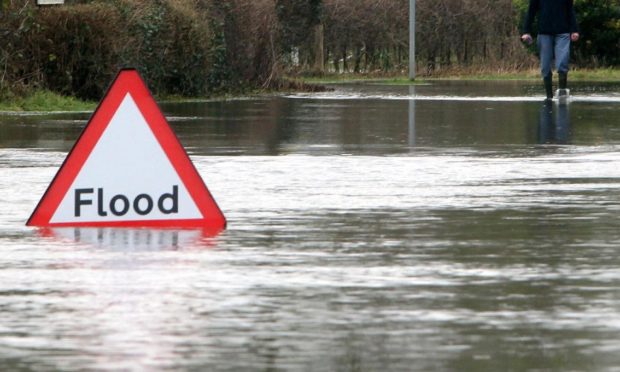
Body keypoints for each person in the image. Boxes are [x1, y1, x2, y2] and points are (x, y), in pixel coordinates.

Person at [521, 0, 580, 100]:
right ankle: (549, 97)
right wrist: (526, 31)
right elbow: (531, 11)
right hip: (544, 33)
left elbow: (570, 11)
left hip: (563, 33)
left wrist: (574, 30)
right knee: (545, 66)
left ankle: (562, 94)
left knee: (562, 62)